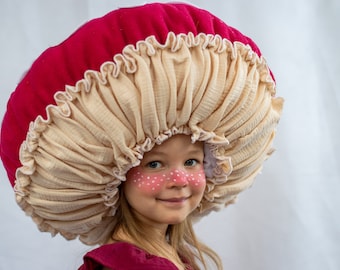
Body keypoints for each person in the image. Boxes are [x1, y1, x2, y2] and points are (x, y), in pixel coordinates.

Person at [0, 2, 283, 270]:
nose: (180, 180)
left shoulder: (160, 255)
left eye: (192, 162)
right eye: (155, 164)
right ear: (117, 174)